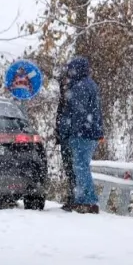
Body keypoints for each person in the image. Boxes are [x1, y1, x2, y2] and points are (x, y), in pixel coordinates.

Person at [58, 56, 104, 214]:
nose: (68, 72)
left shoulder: (80, 87)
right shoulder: (89, 85)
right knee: (80, 166)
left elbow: (77, 112)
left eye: (71, 69)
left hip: (82, 133)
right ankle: (80, 200)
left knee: (80, 166)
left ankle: (89, 201)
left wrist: (68, 131)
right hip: (89, 132)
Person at [55, 68, 77, 211]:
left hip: (70, 137)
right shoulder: (64, 99)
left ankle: (75, 197)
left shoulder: (72, 98)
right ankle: (72, 197)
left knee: (73, 168)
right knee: (69, 169)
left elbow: (67, 119)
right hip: (65, 137)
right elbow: (60, 118)